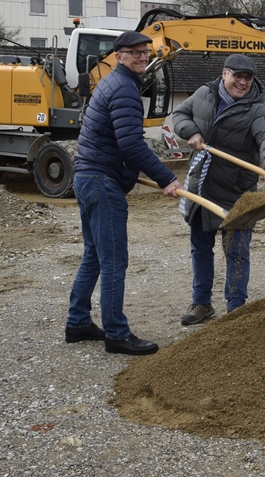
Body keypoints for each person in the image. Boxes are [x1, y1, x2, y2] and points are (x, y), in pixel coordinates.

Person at [65, 31, 181, 356]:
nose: (142, 57)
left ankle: (77, 322)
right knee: (114, 260)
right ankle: (116, 333)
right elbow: (131, 144)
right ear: (118, 55)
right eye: (134, 53)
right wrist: (166, 178)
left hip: (87, 177)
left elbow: (117, 141)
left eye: (145, 52)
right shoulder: (126, 89)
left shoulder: (109, 84)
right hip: (101, 181)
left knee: (94, 255)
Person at [172, 53, 265, 325]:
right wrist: (191, 132)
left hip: (238, 192)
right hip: (202, 187)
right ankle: (201, 304)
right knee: (200, 248)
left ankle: (236, 308)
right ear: (225, 74)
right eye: (238, 76)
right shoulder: (203, 94)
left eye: (248, 78)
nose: (243, 83)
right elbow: (179, 114)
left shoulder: (255, 108)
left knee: (237, 251)